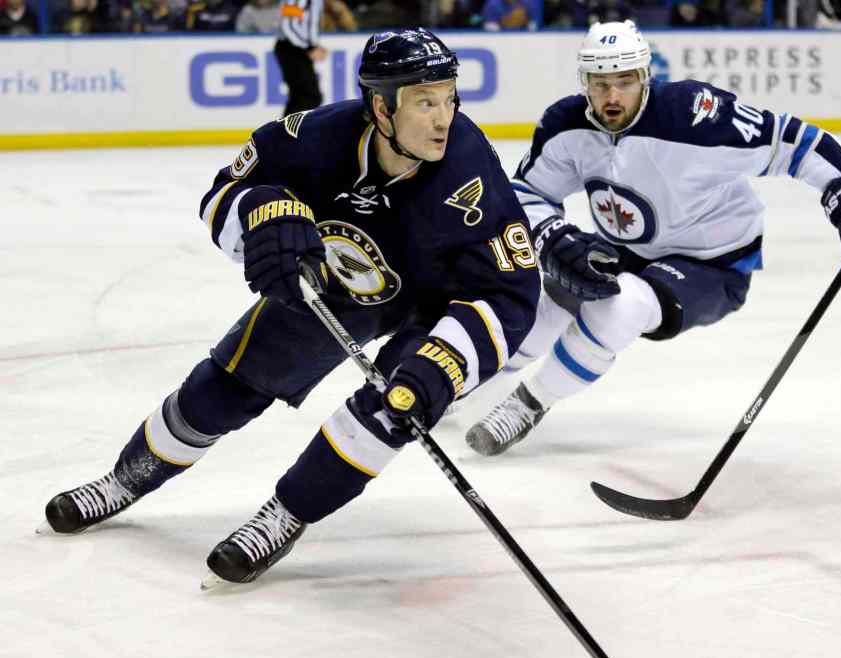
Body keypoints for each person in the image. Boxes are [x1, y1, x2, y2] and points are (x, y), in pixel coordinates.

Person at [41, 29, 540, 587]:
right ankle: (125, 480)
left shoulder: (472, 174)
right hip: (346, 282)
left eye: (449, 98)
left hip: (440, 301)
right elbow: (225, 191)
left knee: (392, 408)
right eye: (425, 101)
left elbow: (511, 292)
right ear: (381, 105)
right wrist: (262, 215)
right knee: (228, 387)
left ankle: (286, 515)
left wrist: (444, 363)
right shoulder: (314, 138)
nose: (444, 118)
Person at [465, 20, 841, 457]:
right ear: (585, 83)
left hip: (711, 263)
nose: (612, 96)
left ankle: (527, 404)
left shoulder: (695, 118)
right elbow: (526, 192)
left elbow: (791, 140)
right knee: (550, 294)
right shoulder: (566, 126)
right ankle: (472, 382)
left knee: (621, 306)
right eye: (600, 83)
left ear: (645, 77)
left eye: (624, 81)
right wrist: (552, 235)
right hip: (624, 247)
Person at [274, 0, 327, 116]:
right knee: (308, 96)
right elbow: (288, 25)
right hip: (291, 48)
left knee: (302, 96)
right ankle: (287, 131)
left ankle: (284, 131)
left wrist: (313, 44)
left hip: (298, 48)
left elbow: (308, 23)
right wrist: (310, 47)